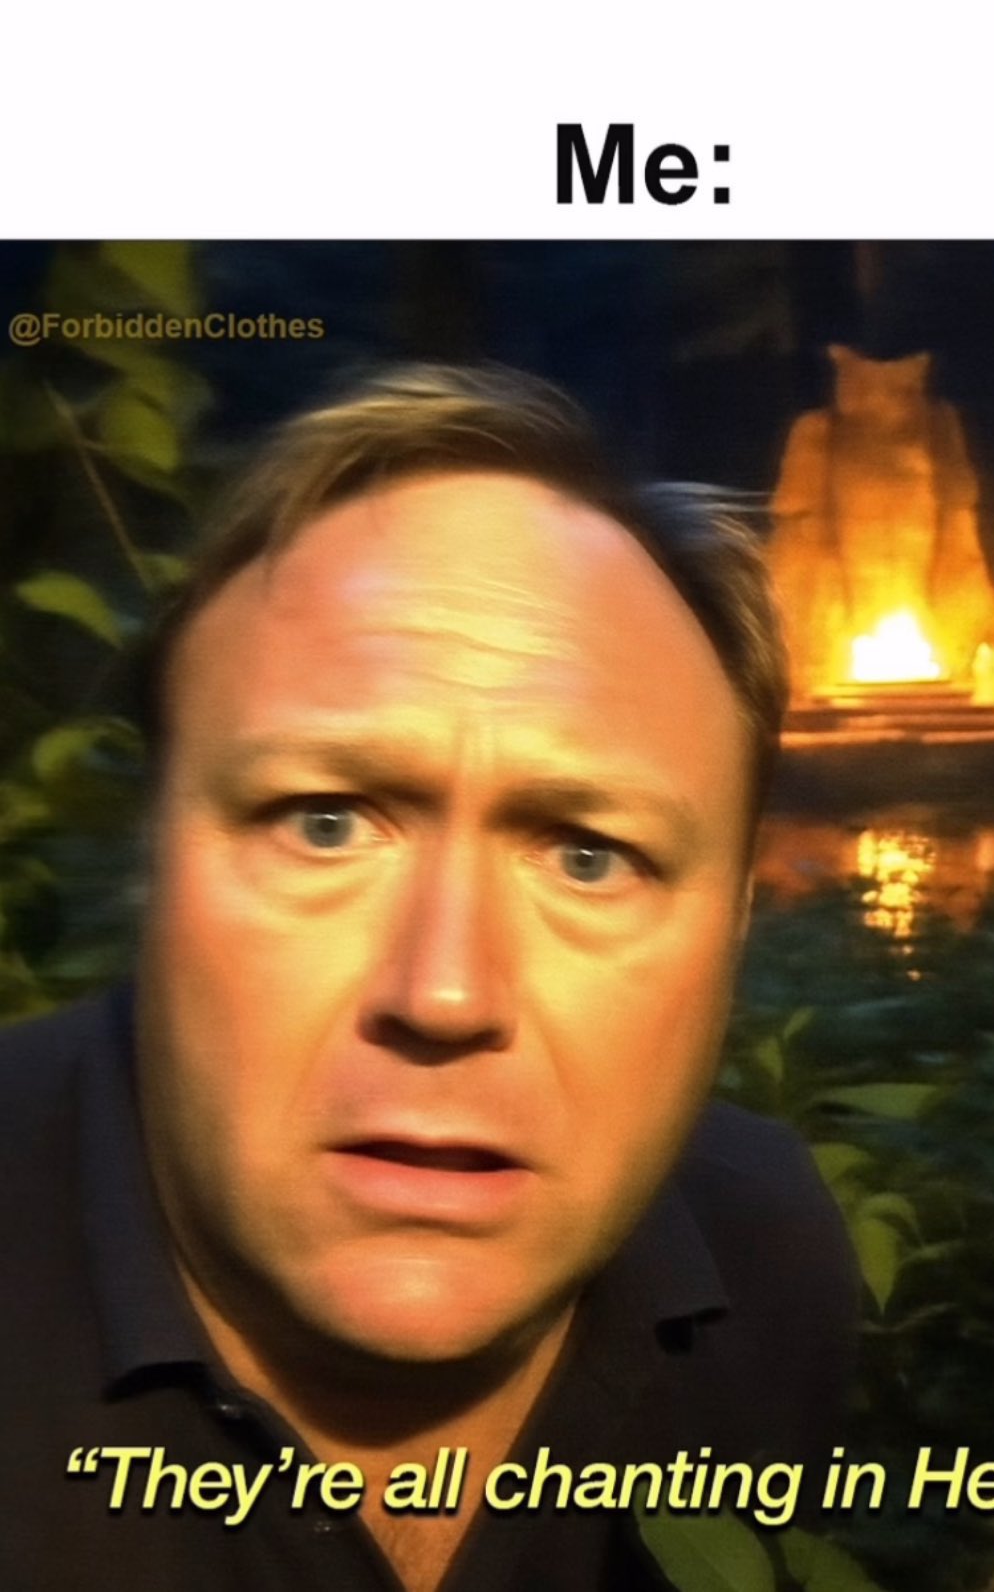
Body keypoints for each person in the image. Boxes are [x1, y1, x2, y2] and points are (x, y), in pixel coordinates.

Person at [0, 366, 859, 1592]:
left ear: (732, 931)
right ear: (151, 860)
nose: (445, 993)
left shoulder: (774, 1258)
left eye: (588, 853)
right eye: (324, 822)